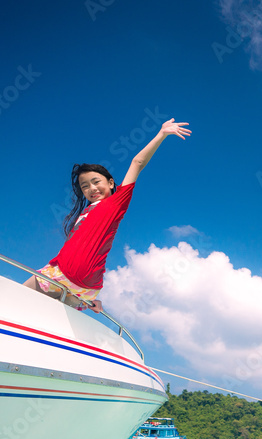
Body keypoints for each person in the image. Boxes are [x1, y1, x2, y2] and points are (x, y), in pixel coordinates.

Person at [25, 117, 192, 312]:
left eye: (96, 182)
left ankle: (88, 302)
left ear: (111, 183)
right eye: (85, 186)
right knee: (46, 316)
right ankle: (92, 304)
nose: (91, 188)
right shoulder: (85, 213)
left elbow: (137, 162)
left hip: (64, 274)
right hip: (87, 288)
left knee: (16, 295)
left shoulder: (115, 202)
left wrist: (161, 134)